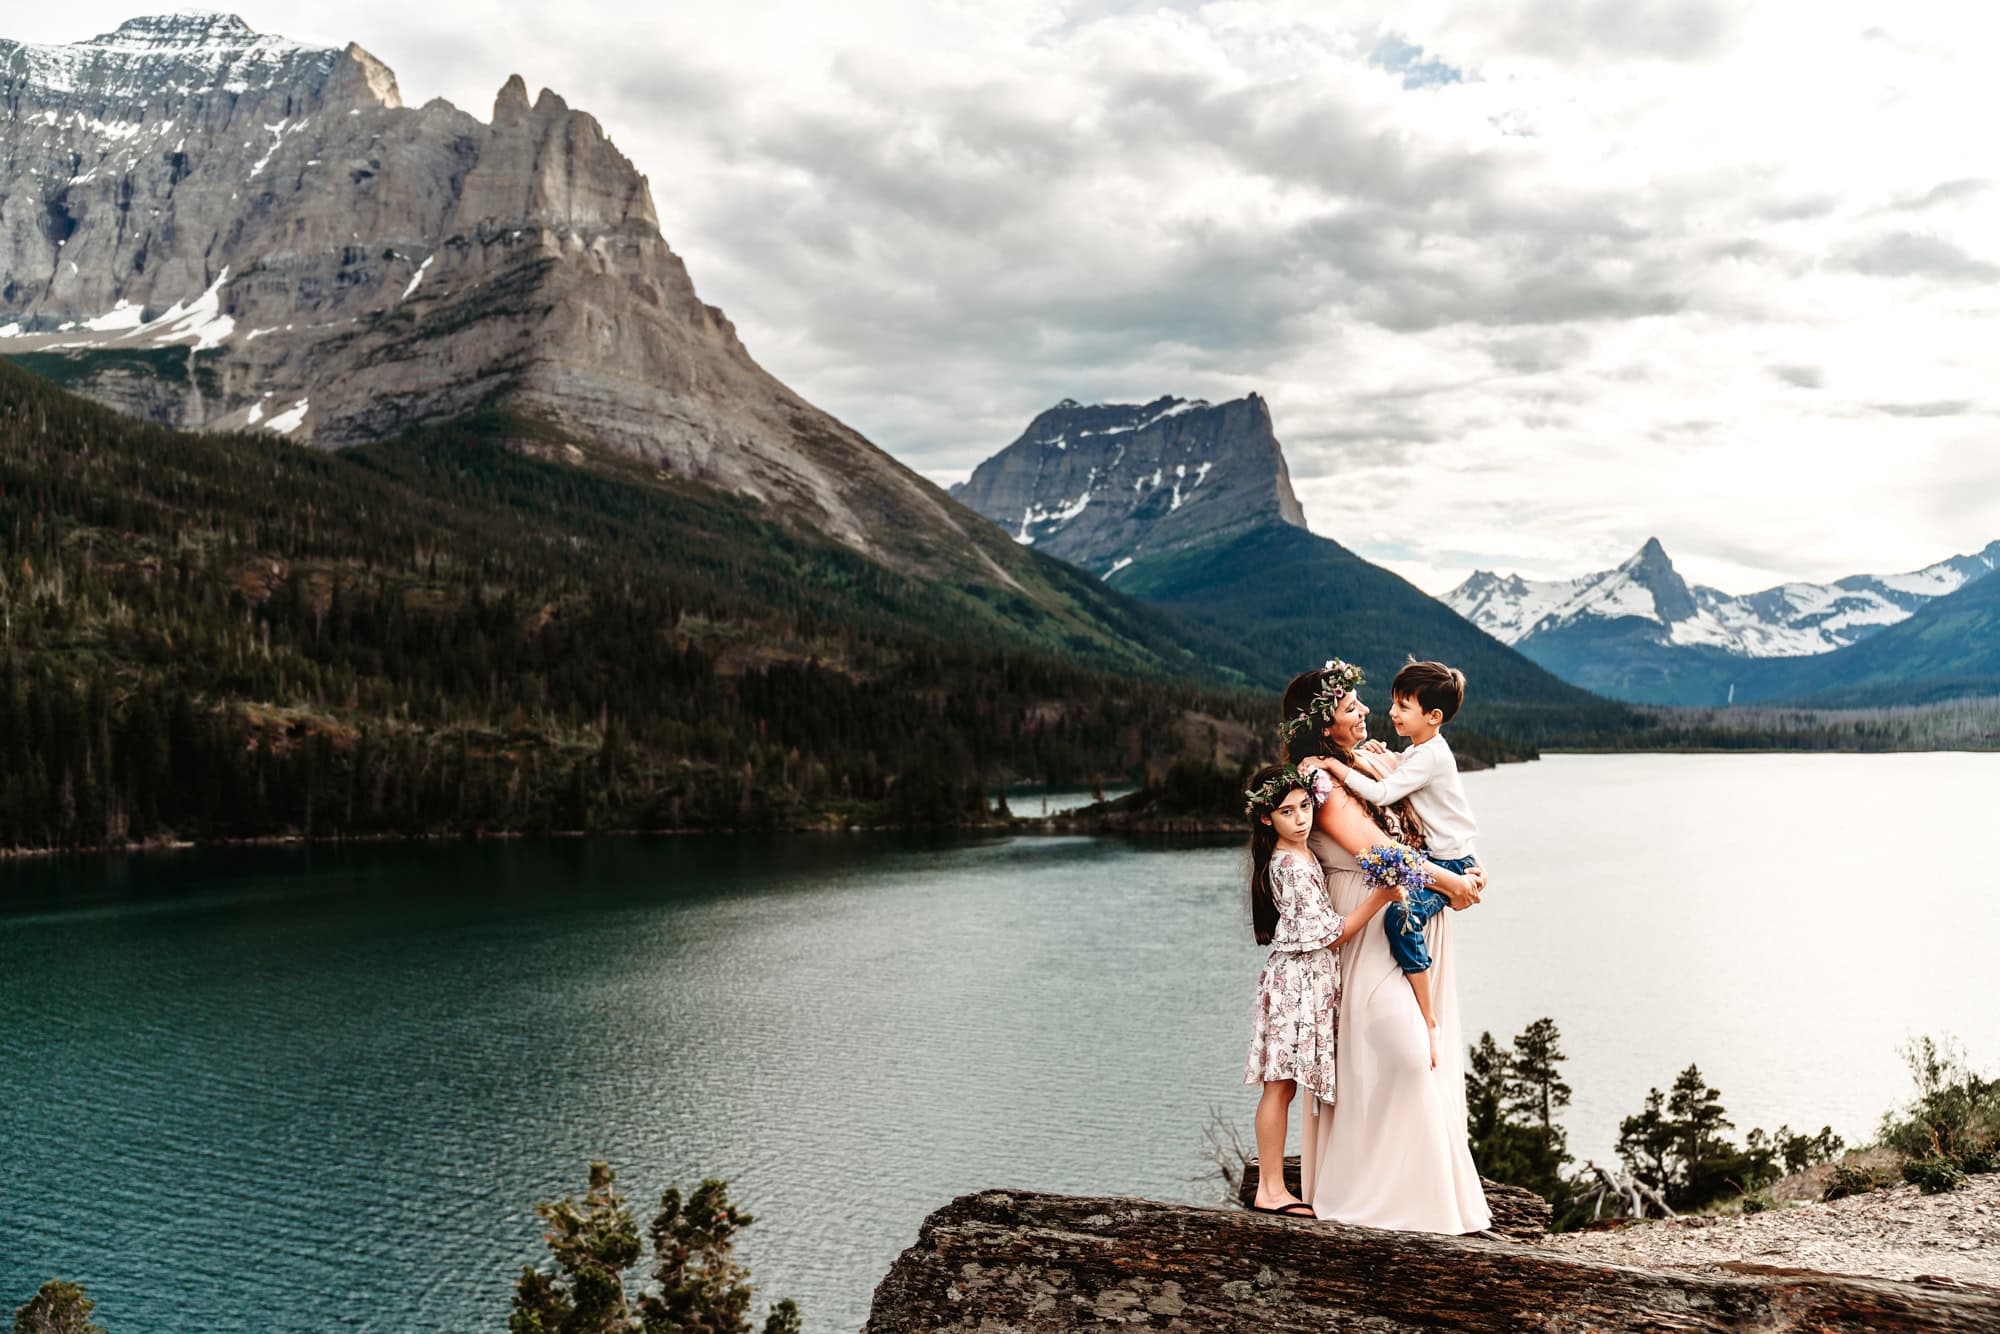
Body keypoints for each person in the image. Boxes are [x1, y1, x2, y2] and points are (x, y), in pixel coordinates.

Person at [1280, 661, 1493, 1234]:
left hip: (1403, 916)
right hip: (1369, 922)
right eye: (1351, 706)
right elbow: (1377, 853)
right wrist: (1451, 883)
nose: (1367, 710)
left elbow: (1427, 810)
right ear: (1324, 725)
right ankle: (1372, 1196)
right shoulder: (1317, 785)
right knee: (1401, 1051)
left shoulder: (1364, 759)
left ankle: (1426, 1207)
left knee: (1420, 1055)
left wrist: (1467, 866)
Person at [1240, 762, 1396, 1216]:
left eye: (1305, 806)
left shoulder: (1303, 855)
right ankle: (1269, 1188)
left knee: (1283, 1086)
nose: (1301, 818)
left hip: (1305, 979)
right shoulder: (1289, 864)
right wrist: (1377, 899)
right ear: (1267, 818)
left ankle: (1279, 1184)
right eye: (1287, 812)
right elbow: (1329, 932)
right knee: (1280, 1086)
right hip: (1296, 982)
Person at [1311, 660, 1480, 1070]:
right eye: (1353, 707)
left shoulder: (1421, 757)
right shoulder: (1404, 755)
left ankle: (1428, 1017)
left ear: (1433, 716)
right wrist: (1368, 757)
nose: (1380, 712)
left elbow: (1386, 793)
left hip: (1438, 869)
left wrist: (1462, 880)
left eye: (1402, 706)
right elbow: (1381, 842)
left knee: (1399, 921)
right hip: (1424, 875)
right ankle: (1427, 1019)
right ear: (1322, 726)